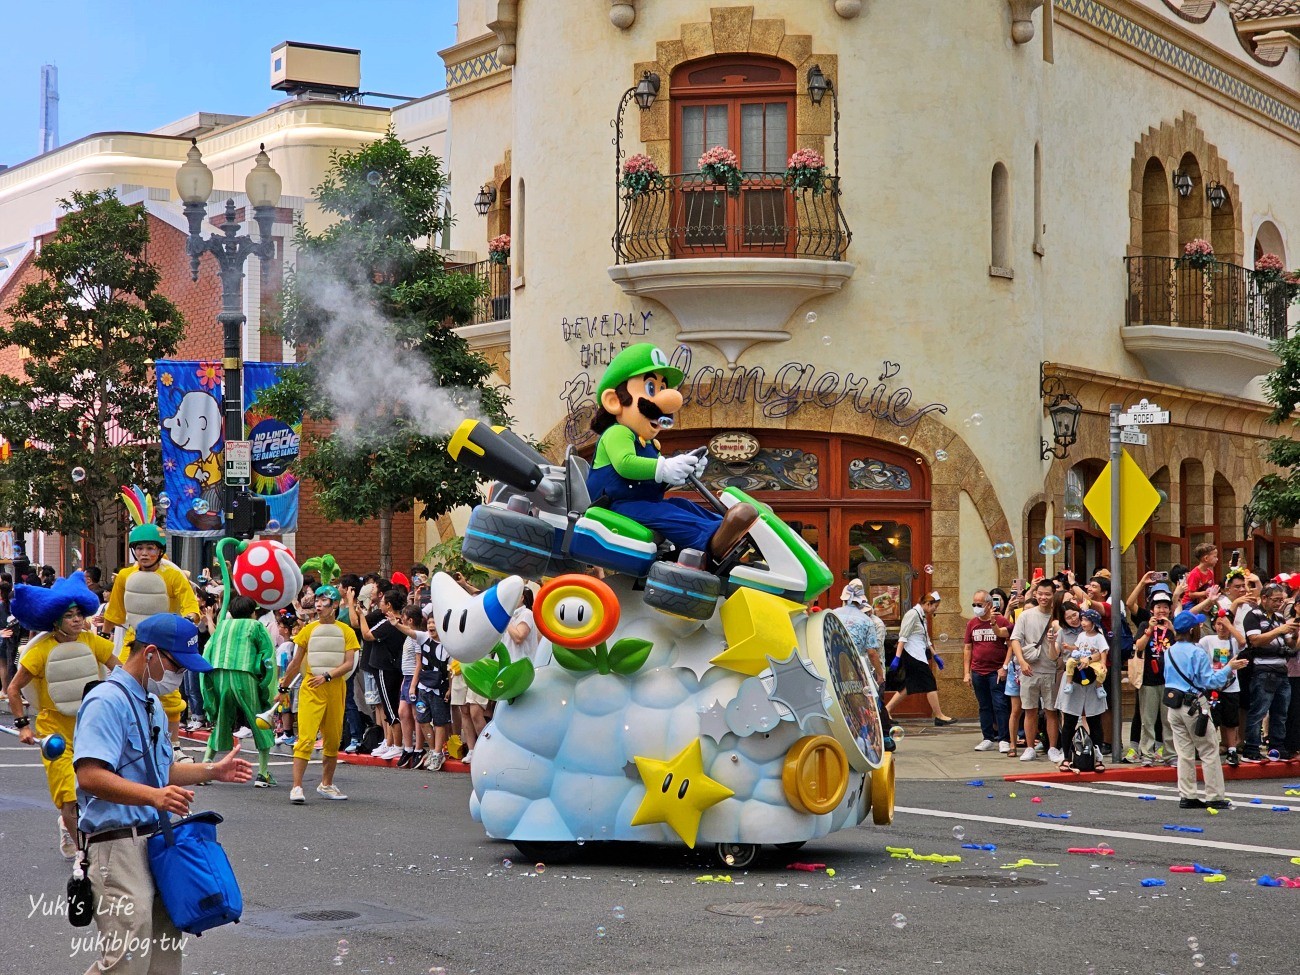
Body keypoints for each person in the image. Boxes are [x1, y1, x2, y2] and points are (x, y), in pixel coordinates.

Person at [73, 613, 252, 975]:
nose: (180, 676)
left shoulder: (151, 705)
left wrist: (211, 771)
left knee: (164, 956)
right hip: (117, 844)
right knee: (125, 961)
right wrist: (152, 797)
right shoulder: (106, 701)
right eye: (177, 665)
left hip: (156, 841)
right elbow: (90, 775)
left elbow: (160, 772)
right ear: (151, 653)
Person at [586, 343, 757, 562]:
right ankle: (713, 537)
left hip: (641, 504)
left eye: (662, 388)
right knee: (664, 513)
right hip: (618, 508)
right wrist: (664, 467)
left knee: (680, 504)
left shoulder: (648, 444)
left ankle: (725, 528)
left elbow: (653, 482)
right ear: (614, 401)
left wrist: (682, 471)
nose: (666, 401)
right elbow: (625, 464)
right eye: (651, 388)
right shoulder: (618, 433)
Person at [4, 571, 118, 857]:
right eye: (69, 615)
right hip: (55, 731)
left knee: (98, 790)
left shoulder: (93, 643)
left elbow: (122, 672)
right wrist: (23, 726)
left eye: (80, 613)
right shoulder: (40, 651)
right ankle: (84, 851)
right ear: (56, 619)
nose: (77, 619)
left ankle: (74, 829)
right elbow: (14, 689)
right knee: (69, 795)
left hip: (92, 728)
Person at [104, 523, 200, 758]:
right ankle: (127, 742)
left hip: (164, 645)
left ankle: (175, 747)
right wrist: (104, 636)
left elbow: (191, 605)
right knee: (124, 688)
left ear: (160, 551)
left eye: (150, 548)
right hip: (133, 642)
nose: (145, 553)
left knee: (167, 693)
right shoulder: (125, 576)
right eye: (140, 548)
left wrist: (189, 618)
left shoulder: (173, 575)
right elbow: (114, 612)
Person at [279, 586, 360, 804]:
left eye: (324, 600)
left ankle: (326, 784)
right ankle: (296, 787)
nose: (319, 604)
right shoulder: (307, 630)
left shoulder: (347, 632)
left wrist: (327, 676)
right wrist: (283, 687)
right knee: (305, 738)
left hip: (335, 689)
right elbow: (296, 663)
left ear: (335, 605)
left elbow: (349, 664)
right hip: (311, 688)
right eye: (317, 599)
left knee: (333, 740)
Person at [1162, 610, 1248, 809]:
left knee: (1184, 752)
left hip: (1174, 705)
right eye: (1198, 626)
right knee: (1209, 750)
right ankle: (1215, 796)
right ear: (1192, 630)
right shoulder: (1197, 651)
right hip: (1194, 705)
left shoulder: (1169, 651)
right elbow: (1211, 681)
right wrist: (1230, 667)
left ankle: (1187, 794)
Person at [201, 594, 279, 786]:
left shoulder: (222, 626)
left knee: (221, 718)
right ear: (252, 612)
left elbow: (208, 650)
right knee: (259, 718)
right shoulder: (256, 626)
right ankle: (262, 773)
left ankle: (204, 768)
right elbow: (267, 656)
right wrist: (266, 686)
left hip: (218, 673)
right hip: (244, 674)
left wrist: (207, 682)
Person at [1241, 582, 1297, 761]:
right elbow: (1255, 640)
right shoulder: (1253, 616)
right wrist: (1280, 630)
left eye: (1281, 600)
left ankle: (1277, 747)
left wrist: (1294, 632)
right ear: (1263, 598)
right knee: (1259, 710)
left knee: (1281, 712)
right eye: (1275, 600)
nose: (1279, 603)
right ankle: (1251, 748)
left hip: (1282, 669)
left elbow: (1290, 644)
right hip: (1263, 670)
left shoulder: (1280, 617)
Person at [1010, 579, 1063, 764]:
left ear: (1053, 595)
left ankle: (1053, 748)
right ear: (1035, 594)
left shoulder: (1057, 617)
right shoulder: (1026, 615)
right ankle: (1030, 747)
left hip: (1050, 669)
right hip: (1029, 669)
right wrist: (1022, 662)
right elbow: (1015, 639)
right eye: (1040, 593)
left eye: (1047, 594)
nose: (1043, 597)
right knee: (1029, 709)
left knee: (1051, 711)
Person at [885, 591, 957, 726]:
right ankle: (939, 716)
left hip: (918, 653)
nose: (935, 610)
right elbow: (903, 636)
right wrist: (897, 657)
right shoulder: (912, 614)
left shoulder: (921, 616)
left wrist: (935, 655)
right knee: (930, 682)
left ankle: (886, 710)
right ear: (927, 604)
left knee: (909, 685)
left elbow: (926, 638)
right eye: (935, 606)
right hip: (913, 654)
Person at [1056, 608, 1109, 773]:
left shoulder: (1099, 637)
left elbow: (1103, 653)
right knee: (1069, 720)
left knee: (1094, 720)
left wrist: (1097, 662)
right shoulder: (1080, 636)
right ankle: (1066, 757)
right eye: (1082, 620)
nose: (1082, 622)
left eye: (1085, 620)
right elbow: (1076, 650)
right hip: (1077, 680)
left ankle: (1098, 758)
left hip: (1093, 680)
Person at [963, 590, 1011, 753]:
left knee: (1000, 704)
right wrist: (967, 672)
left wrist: (1004, 666)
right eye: (974, 604)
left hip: (996, 671)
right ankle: (987, 737)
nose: (976, 608)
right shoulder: (972, 624)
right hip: (978, 671)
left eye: (979, 604)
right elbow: (968, 648)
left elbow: (1011, 644)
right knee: (984, 706)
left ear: (989, 605)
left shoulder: (1001, 620)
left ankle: (1004, 738)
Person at [1133, 587, 1175, 766]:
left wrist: (1172, 629)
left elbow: (1181, 646)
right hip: (1148, 680)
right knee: (1148, 720)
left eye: (1165, 607)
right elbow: (1139, 646)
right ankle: (1147, 754)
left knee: (1169, 720)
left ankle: (1170, 754)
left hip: (1169, 680)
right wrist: (1149, 629)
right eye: (1158, 607)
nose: (1162, 610)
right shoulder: (1144, 625)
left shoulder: (1172, 626)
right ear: (1152, 609)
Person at [1199, 608, 1246, 766]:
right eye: (1218, 624)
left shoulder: (1233, 641)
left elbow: (1242, 642)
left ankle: (1232, 750)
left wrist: (1229, 625)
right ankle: (1212, 747)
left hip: (1231, 687)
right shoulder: (1208, 640)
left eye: (1224, 624)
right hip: (1213, 687)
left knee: (1231, 720)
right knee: (1213, 719)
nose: (1221, 627)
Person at [410, 611, 452, 770]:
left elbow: (451, 670)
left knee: (440, 721)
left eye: (434, 623)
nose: (431, 626)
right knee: (421, 719)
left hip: (439, 689)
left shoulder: (449, 645)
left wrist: (450, 688)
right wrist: (396, 623)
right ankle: (435, 750)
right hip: (423, 687)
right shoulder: (423, 638)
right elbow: (409, 631)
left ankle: (437, 752)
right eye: (429, 623)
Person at [504, 586, 539, 663]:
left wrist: (505, 620)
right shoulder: (512, 614)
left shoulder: (526, 613)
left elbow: (518, 638)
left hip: (517, 665)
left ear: (522, 598)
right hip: (507, 663)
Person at [1183, 543, 1220, 607]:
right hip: (1189, 603)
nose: (1217, 559)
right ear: (1206, 558)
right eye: (1215, 557)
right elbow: (1191, 594)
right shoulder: (1194, 574)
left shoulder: (1210, 573)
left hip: (1203, 600)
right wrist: (1205, 593)